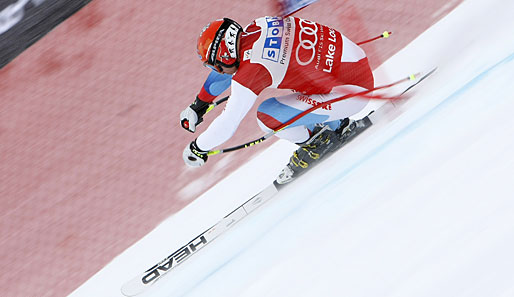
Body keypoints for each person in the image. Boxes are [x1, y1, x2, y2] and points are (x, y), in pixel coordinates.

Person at [180, 16, 374, 178]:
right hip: (354, 66)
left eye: (214, 65)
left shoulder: (251, 71)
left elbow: (228, 124)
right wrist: (200, 104)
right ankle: (338, 125)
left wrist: (198, 148)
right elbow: (227, 70)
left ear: (224, 56)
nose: (217, 71)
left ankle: (318, 143)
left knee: (268, 116)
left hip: (351, 93)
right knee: (298, 79)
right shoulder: (257, 26)